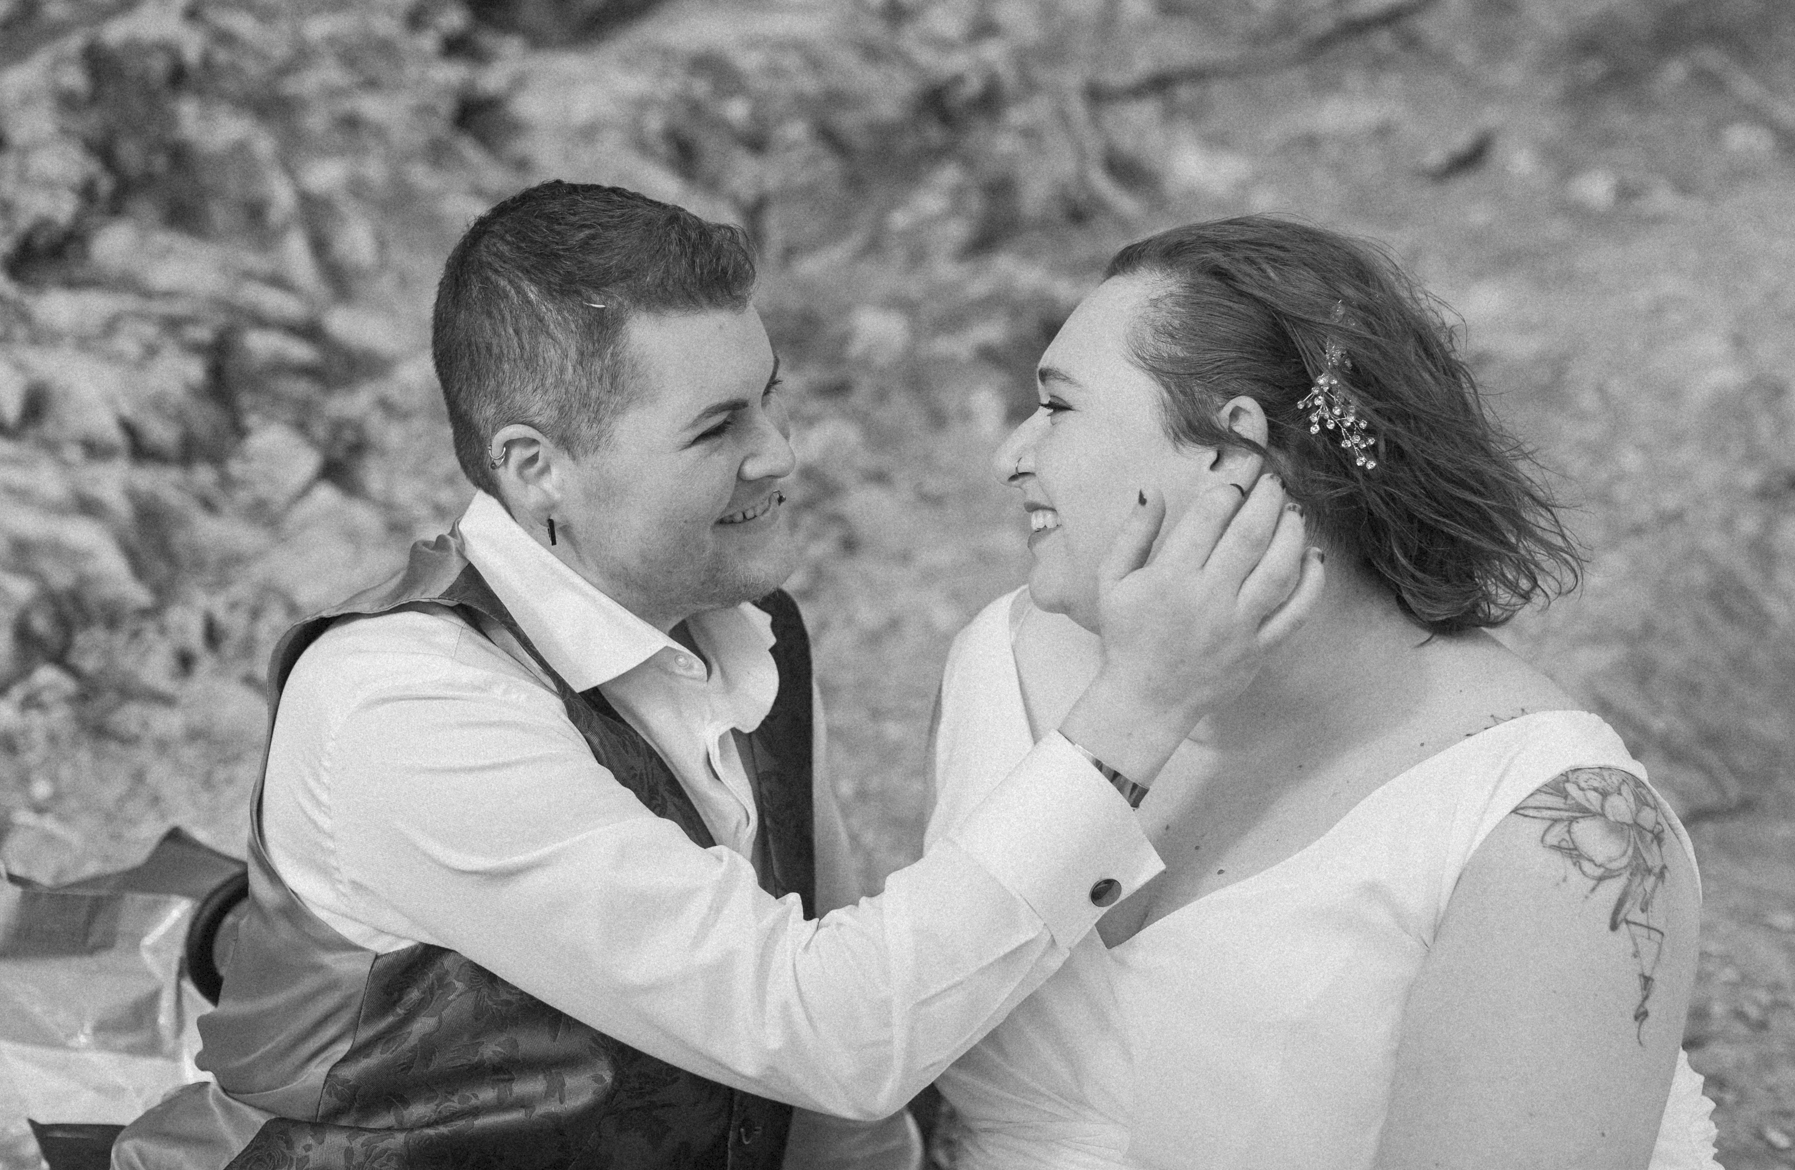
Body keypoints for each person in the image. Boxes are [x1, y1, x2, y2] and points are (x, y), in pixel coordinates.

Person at [112, 183, 1321, 1170]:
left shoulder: (751, 627)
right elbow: (828, 1027)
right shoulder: (408, 711)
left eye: (772, 397)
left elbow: (833, 1066)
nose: (782, 453)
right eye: (716, 428)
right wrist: (1146, 704)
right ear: (538, 469)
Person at [927, 215, 1721, 1170]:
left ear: (1233, 450)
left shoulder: (1546, 835)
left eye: (1057, 407)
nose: (1011, 454)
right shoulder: (1004, 665)